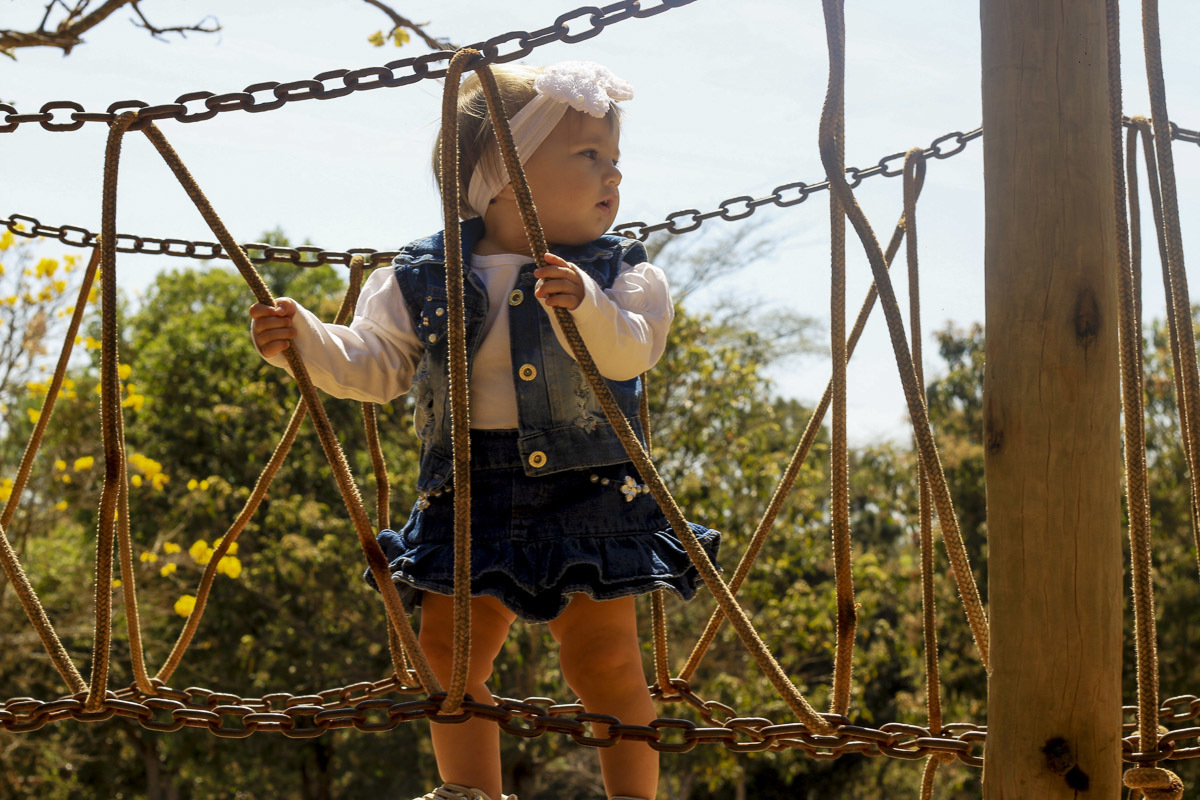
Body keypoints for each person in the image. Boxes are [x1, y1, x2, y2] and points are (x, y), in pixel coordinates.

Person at [250, 60, 719, 800]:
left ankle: (633, 794)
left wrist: (586, 306)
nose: (613, 177)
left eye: (615, 160)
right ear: (504, 177)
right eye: (589, 155)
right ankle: (471, 792)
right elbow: (377, 366)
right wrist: (305, 340)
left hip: (587, 492)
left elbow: (630, 350)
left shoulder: (624, 275)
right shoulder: (420, 278)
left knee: (606, 664)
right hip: (466, 497)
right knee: (447, 654)